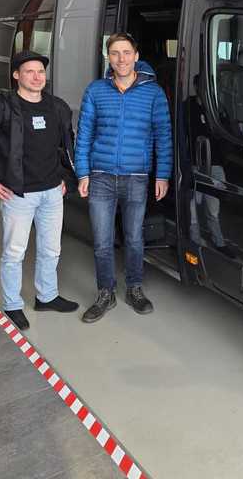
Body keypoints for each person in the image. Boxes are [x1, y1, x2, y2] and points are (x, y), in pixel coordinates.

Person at [0, 51, 79, 330]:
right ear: (16, 75)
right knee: (15, 253)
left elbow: (68, 146)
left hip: (53, 192)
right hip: (17, 195)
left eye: (41, 72)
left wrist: (67, 178)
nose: (37, 77)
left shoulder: (57, 107)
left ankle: (47, 296)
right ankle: (12, 304)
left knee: (51, 249)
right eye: (29, 71)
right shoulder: (1, 108)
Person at [75, 33, 172, 323]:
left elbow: (163, 136)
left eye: (126, 52)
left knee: (134, 238)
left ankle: (134, 288)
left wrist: (163, 174)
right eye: (115, 53)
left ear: (136, 56)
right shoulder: (96, 90)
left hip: (136, 177)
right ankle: (105, 292)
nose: (121, 59)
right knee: (102, 242)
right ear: (109, 57)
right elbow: (84, 134)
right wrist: (83, 172)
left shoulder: (153, 93)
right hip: (101, 177)